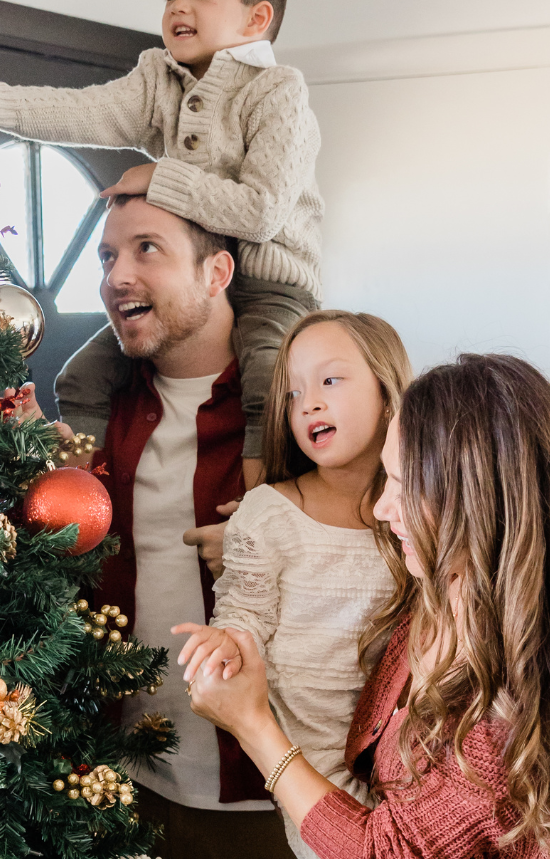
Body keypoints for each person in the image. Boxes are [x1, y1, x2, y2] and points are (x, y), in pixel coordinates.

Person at [179, 354, 550, 858]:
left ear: (476, 500)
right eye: (385, 480)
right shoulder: (444, 599)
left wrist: (252, 725)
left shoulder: (502, 723)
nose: (382, 509)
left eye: (404, 484)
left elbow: (381, 851)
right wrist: (254, 541)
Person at [0, 0, 323, 489]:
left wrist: (158, 177)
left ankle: (256, 516)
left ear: (257, 18)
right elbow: (82, 111)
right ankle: (82, 496)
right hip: (182, 286)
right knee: (82, 378)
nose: (178, 6)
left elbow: (261, 212)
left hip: (269, 282)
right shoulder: (159, 79)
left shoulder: (277, 92)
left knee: (267, 384)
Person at [80, 193, 293, 859]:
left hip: (270, 796)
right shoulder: (97, 412)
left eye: (148, 248)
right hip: (123, 781)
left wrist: (273, 550)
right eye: (108, 256)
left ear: (217, 273)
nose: (117, 277)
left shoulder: (299, 409)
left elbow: (391, 546)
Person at [176, 311, 411, 859]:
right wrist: (225, 640)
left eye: (330, 380)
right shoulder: (270, 513)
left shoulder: (418, 509)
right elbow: (243, 614)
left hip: (403, 754)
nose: (308, 403)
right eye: (293, 392)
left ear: (387, 387)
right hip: (309, 757)